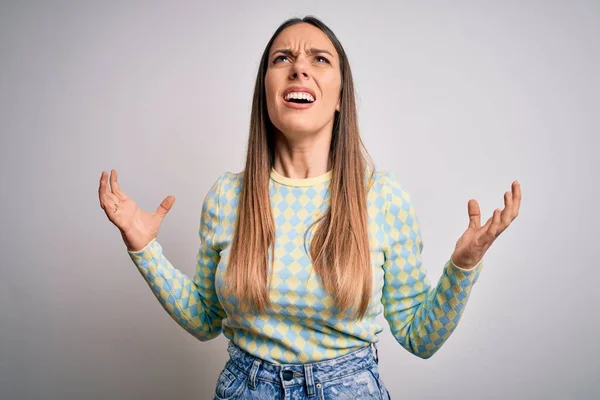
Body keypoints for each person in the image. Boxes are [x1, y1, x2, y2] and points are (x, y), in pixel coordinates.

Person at [98, 15, 521, 400]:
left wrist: (464, 265)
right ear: (266, 89)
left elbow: (419, 337)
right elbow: (206, 320)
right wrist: (145, 249)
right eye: (283, 58)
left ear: (340, 96)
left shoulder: (383, 198)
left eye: (319, 59)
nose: (299, 67)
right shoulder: (228, 197)